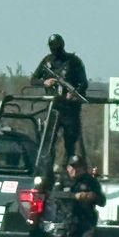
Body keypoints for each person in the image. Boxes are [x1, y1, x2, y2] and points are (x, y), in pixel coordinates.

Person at [30, 33, 88, 162]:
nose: (55, 50)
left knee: (70, 144)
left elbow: (84, 83)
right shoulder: (47, 61)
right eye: (53, 47)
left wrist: (74, 93)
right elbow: (33, 80)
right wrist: (44, 82)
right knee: (47, 143)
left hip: (70, 110)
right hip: (53, 108)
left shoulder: (74, 61)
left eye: (57, 47)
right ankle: (46, 169)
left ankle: (68, 168)